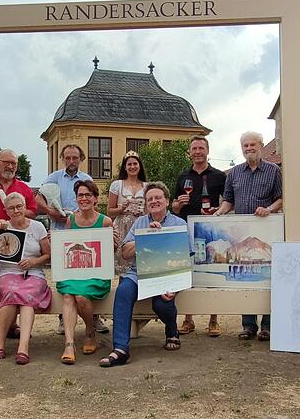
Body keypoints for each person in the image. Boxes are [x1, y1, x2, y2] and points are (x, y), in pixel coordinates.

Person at [100, 182, 187, 367]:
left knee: (162, 303)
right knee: (122, 292)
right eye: (150, 199)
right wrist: (145, 235)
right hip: (139, 273)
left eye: (158, 198)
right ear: (146, 204)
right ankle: (121, 349)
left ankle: (172, 330)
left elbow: (185, 259)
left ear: (167, 201)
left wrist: (175, 287)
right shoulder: (140, 223)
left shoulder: (179, 224)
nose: (154, 201)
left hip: (167, 275)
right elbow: (125, 252)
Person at [214, 131, 282, 342]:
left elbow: (281, 199)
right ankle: (248, 325)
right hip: (242, 235)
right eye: (245, 146)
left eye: (253, 144)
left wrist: (269, 209)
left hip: (267, 233)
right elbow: (228, 201)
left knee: (268, 279)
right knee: (245, 278)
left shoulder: (274, 171)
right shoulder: (233, 173)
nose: (249, 148)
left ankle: (268, 326)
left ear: (261, 146)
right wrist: (219, 213)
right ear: (241, 148)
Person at [36, 144, 108, 334]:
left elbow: (92, 203)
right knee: (65, 272)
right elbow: (38, 198)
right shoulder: (54, 177)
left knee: (88, 268)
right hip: (60, 228)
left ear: (81, 158)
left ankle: (94, 317)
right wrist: (50, 211)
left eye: (74, 158)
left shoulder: (86, 179)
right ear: (62, 158)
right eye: (67, 158)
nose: (71, 161)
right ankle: (63, 318)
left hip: (82, 227)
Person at [0, 192, 51, 365]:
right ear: (6, 210)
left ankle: (23, 346)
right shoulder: (3, 227)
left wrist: (33, 262)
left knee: (25, 298)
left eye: (19, 206)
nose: (16, 210)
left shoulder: (38, 227)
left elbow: (48, 255)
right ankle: (0, 343)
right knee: (11, 293)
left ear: (25, 207)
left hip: (34, 273)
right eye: (11, 208)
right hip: (8, 273)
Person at [59, 180, 119, 364]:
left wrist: (114, 244)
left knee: (81, 297)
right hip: (75, 272)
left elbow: (112, 253)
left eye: (88, 195)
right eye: (80, 195)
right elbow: (66, 247)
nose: (84, 198)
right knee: (69, 295)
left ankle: (90, 331)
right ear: (76, 199)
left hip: (96, 274)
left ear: (95, 198)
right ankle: (69, 345)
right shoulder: (71, 220)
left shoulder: (105, 221)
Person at [171, 136, 227, 337]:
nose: (197, 152)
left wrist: (218, 210)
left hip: (210, 228)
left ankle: (213, 319)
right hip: (186, 228)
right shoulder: (182, 176)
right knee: (189, 273)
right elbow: (174, 207)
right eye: (194, 148)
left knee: (212, 272)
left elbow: (228, 202)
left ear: (207, 150)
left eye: (200, 148)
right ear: (190, 152)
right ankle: (188, 319)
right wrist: (178, 203)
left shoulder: (220, 176)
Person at [0, 149, 37, 341]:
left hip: (17, 243)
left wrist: (16, 211)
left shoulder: (24, 188)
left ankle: (11, 325)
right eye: (6, 162)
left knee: (14, 282)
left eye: (14, 163)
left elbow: (33, 210)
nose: (10, 166)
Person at [107, 151, 146, 275]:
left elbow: (149, 211)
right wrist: (121, 209)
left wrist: (143, 211)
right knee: (122, 266)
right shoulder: (117, 185)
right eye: (129, 164)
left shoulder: (146, 186)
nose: (132, 167)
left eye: (135, 164)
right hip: (122, 228)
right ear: (125, 167)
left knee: (140, 264)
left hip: (140, 226)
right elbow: (109, 212)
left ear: (139, 166)